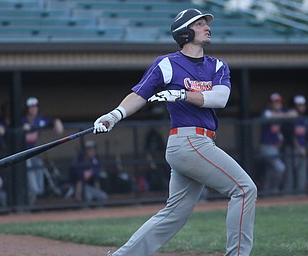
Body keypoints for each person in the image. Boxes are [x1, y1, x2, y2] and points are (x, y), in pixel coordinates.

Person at [93, 9, 257, 256]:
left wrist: (182, 94)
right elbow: (139, 95)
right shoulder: (167, 63)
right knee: (245, 189)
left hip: (199, 144)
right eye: (200, 24)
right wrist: (114, 115)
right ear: (185, 32)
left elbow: (220, 98)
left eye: (205, 24)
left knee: (175, 213)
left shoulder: (217, 66)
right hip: (188, 141)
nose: (207, 27)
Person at [22, 97, 64, 205]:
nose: (33, 109)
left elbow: (52, 123)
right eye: (31, 107)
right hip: (21, 155)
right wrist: (22, 128)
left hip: (32, 154)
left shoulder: (39, 120)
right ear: (27, 109)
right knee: (32, 188)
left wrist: (57, 121)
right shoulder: (21, 120)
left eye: (35, 107)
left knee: (39, 165)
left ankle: (33, 200)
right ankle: (26, 207)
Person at [259, 93, 297, 196]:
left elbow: (294, 113)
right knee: (280, 168)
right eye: (275, 103)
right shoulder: (267, 112)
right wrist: (285, 115)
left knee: (271, 170)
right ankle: (273, 189)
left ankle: (267, 193)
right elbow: (272, 115)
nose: (277, 105)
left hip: (275, 148)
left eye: (279, 102)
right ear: (271, 104)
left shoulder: (282, 113)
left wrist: (285, 115)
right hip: (266, 147)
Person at [283, 95, 307, 194]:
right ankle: (288, 196)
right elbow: (291, 135)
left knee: (302, 174)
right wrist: (299, 148)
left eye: (303, 105)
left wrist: (304, 149)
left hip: (303, 148)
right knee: (290, 174)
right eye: (299, 105)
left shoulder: (304, 119)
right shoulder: (291, 118)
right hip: (292, 149)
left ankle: (300, 194)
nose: (302, 107)